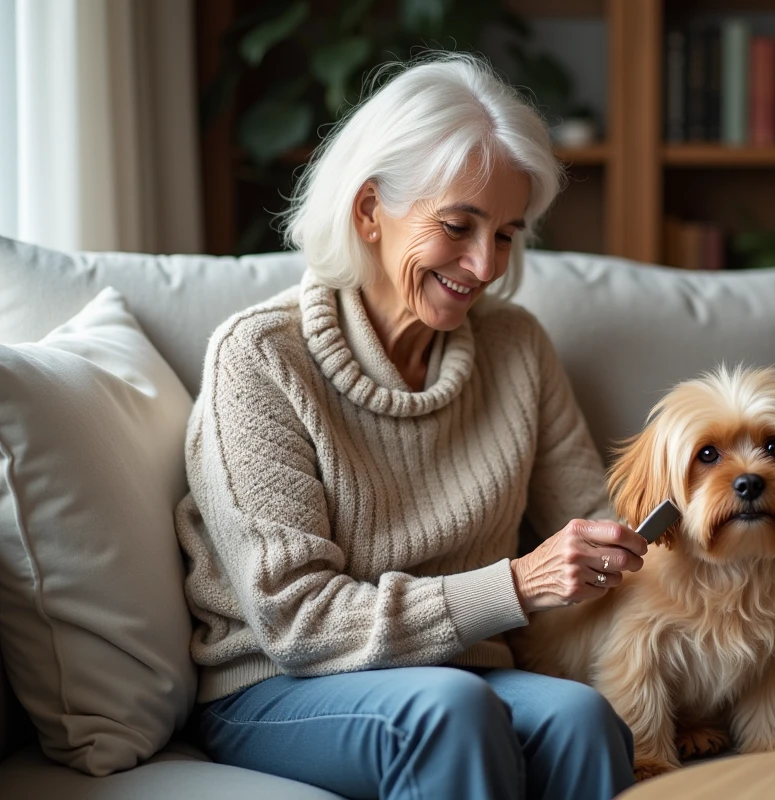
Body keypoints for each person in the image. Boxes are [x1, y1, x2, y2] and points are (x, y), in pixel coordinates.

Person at [174, 52, 647, 800]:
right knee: (448, 710)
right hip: (279, 684)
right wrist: (518, 584)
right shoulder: (261, 358)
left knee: (581, 718)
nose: (484, 264)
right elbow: (297, 621)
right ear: (369, 211)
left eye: (506, 235)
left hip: (459, 673)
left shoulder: (516, 347)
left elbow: (590, 519)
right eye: (459, 226)